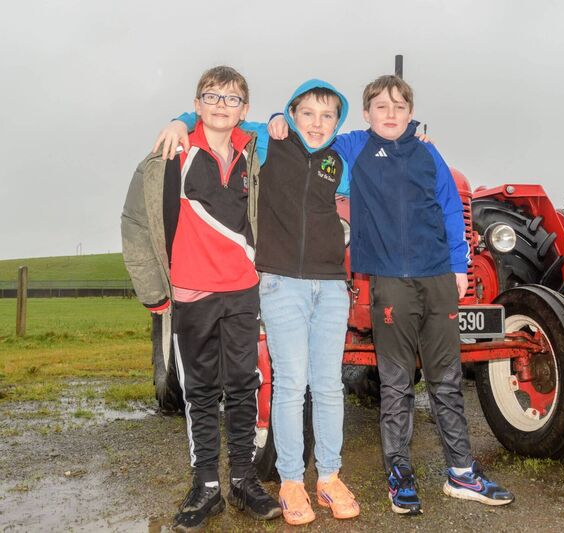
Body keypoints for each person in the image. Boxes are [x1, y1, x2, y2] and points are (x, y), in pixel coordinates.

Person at [268, 75, 515, 515]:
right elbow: (311, 136)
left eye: (400, 107)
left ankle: (461, 472)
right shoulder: (353, 146)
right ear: (366, 113)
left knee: (446, 379)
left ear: (410, 112)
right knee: (397, 383)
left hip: (437, 276)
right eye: (381, 107)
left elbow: (447, 205)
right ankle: (399, 475)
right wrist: (275, 119)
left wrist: (459, 266)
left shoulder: (427, 149)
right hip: (388, 281)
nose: (391, 114)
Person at [153, 79, 360, 526]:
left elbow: (378, 148)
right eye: (306, 113)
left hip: (330, 285)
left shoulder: (340, 161)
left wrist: (415, 131)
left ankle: (329, 475)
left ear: (338, 122)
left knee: (327, 386)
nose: (317, 123)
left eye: (328, 116)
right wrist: (180, 119)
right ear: (291, 112)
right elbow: (221, 118)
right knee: (288, 384)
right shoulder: (267, 141)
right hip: (280, 282)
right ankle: (288, 480)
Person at [121, 66, 281, 531]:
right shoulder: (169, 154)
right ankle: (206, 485)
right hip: (191, 292)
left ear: (244, 111)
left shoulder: (255, 156)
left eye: (232, 99)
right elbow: (134, 224)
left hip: (243, 290)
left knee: (244, 383)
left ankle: (245, 480)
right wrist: (154, 294)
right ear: (196, 103)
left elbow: (315, 146)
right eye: (211, 96)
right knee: (201, 390)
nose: (220, 105)